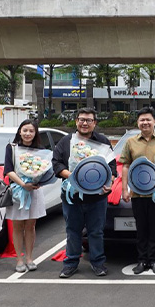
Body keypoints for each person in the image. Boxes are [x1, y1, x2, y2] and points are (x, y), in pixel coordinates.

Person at [53, 107, 112, 278]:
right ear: (76, 121)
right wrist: (72, 176)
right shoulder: (66, 141)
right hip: (72, 196)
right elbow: (56, 163)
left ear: (95, 123)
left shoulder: (103, 142)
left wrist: (111, 180)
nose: (84, 123)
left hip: (97, 196)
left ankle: (98, 263)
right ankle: (70, 263)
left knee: (96, 231)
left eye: (88, 120)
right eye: (81, 119)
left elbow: (112, 165)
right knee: (72, 230)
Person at [119, 107, 155, 275]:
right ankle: (142, 260)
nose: (145, 123)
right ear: (138, 123)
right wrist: (124, 189)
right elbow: (125, 165)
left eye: (148, 119)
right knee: (141, 228)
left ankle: (154, 260)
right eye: (142, 120)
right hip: (137, 193)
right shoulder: (130, 142)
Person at [4, 119, 47, 273]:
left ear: (35, 133)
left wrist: (39, 181)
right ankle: (19, 259)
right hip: (17, 191)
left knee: (31, 225)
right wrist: (23, 184)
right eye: (25, 130)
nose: (28, 133)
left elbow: (44, 170)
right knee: (17, 226)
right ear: (19, 131)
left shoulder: (41, 150)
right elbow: (8, 170)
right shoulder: (12, 148)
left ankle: (29, 258)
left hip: (34, 191)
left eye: (31, 131)